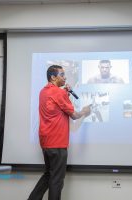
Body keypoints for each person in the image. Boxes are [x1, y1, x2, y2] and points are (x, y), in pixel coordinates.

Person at [28, 65, 91, 200]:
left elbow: (56, 106)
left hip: (46, 143)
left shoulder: (43, 92)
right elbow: (73, 115)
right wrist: (84, 112)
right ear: (53, 77)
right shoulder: (59, 93)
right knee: (57, 181)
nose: (65, 77)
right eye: (62, 75)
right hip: (58, 144)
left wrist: (66, 94)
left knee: (49, 175)